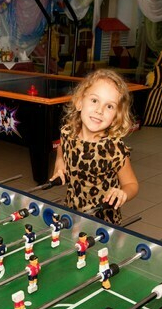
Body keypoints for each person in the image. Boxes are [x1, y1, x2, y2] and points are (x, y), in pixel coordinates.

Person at [51, 69, 138, 225]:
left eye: (109, 106)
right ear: (79, 102)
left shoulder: (113, 149)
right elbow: (61, 148)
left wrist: (123, 193)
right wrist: (60, 162)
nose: (99, 110)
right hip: (72, 212)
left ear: (116, 116)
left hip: (103, 223)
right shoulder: (68, 133)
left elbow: (131, 184)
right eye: (94, 100)